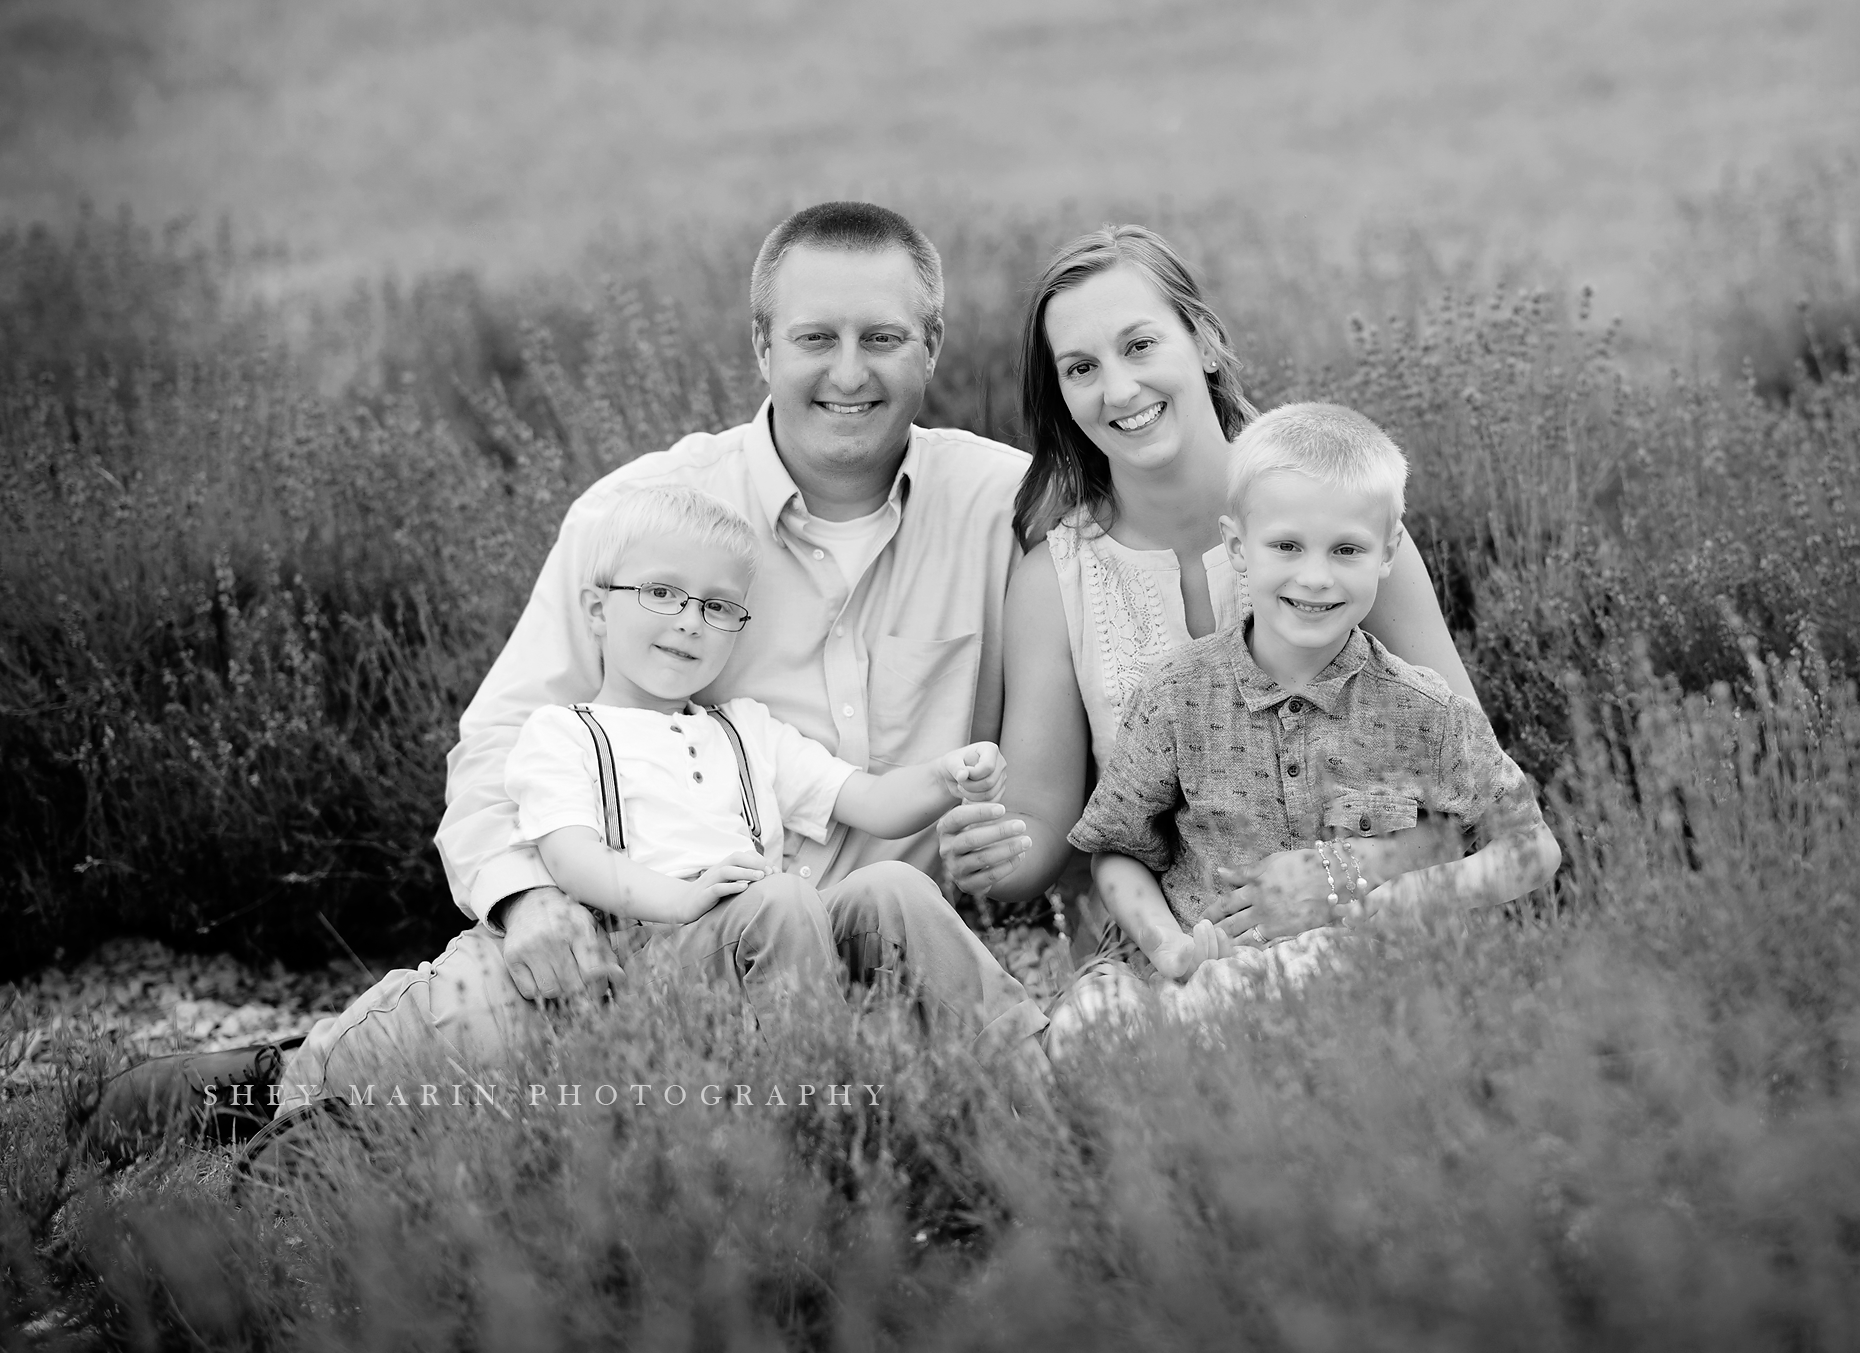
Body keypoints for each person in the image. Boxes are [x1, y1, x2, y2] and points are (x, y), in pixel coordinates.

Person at [82, 200, 1049, 1158]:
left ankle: (1028, 1116)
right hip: (630, 956)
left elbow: (1166, 498)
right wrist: (524, 900)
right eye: (814, 337)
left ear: (932, 343)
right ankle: (275, 1090)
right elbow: (502, 744)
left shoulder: (1006, 508)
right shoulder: (642, 522)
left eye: (882, 336)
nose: (849, 371)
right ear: (762, 346)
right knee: (384, 1091)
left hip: (860, 970)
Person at [937, 225, 1501, 959]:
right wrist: (993, 853)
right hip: (1165, 952)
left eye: (1140, 345)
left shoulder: (1333, 521)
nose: (1119, 388)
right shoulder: (1055, 581)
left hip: (1365, 934)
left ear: (1202, 342)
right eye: (1080, 368)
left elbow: (1481, 807)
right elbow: (1046, 826)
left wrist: (1342, 876)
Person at [1060, 402, 1561, 1031]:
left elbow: (1531, 847)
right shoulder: (1176, 696)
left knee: (1318, 983)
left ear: (1389, 550)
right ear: (1238, 547)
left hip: (1356, 972)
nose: (1316, 577)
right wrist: (1169, 946)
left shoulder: (1425, 711)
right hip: (1191, 973)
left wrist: (1418, 895)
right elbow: (1117, 848)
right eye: (1287, 546)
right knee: (1088, 1027)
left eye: (1347, 549)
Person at [510, 481, 1009, 993]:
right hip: (657, 963)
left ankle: (1016, 1050)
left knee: (895, 886)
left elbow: (874, 802)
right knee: (782, 897)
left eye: (719, 606)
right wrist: (681, 900)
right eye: (661, 594)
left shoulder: (746, 731)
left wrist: (945, 777)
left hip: (780, 940)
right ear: (597, 610)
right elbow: (572, 858)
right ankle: (819, 1068)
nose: (690, 623)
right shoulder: (564, 733)